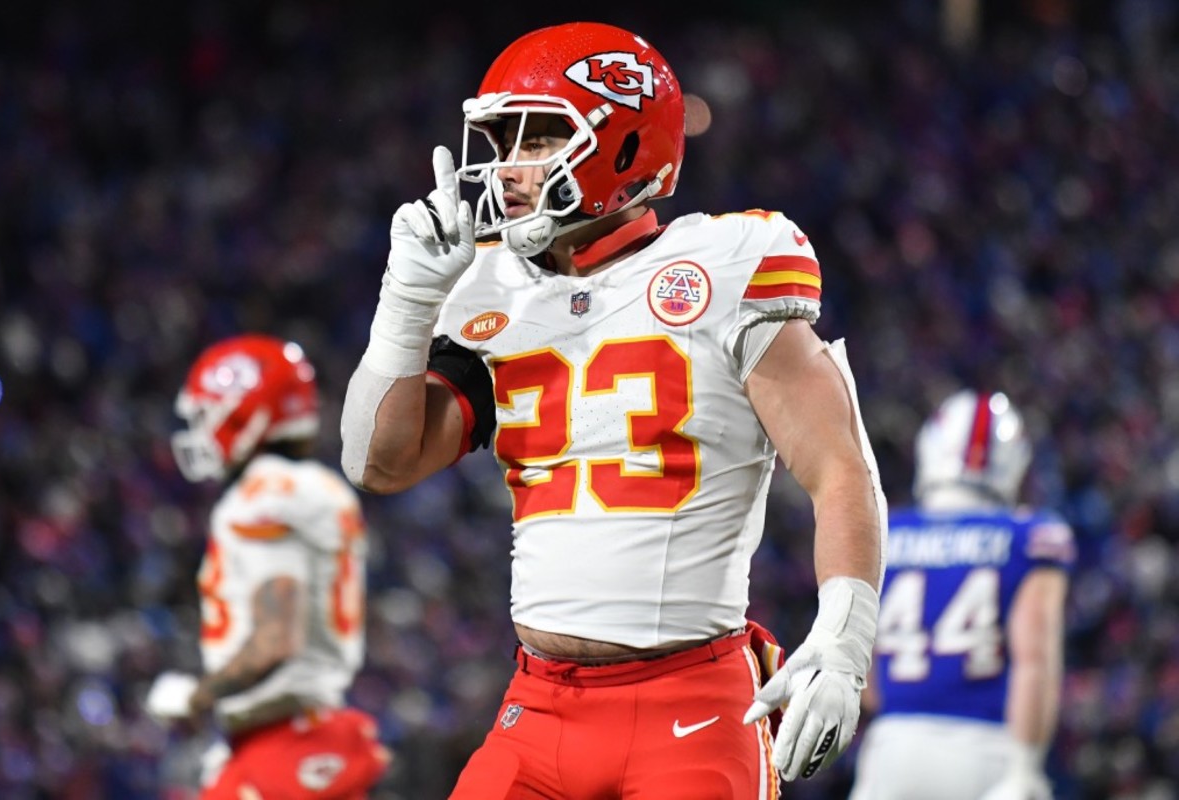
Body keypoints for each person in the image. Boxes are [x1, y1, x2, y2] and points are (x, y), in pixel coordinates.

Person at [340, 21, 887, 798]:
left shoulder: (724, 266)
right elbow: (378, 461)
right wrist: (407, 301)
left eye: (537, 138)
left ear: (625, 146)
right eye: (499, 142)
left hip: (691, 707)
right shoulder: (492, 289)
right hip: (537, 703)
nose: (508, 168)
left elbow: (840, 468)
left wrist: (844, 640)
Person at [146, 334, 390, 799]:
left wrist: (194, 697)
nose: (199, 429)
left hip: (284, 747)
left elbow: (275, 639)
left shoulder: (263, 497)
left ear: (246, 412)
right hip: (304, 733)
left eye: (205, 414)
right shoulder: (317, 487)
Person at [848, 390, 1074, 800]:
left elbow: (865, 678)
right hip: (985, 748)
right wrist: (1025, 766)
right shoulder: (1030, 536)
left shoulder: (885, 532)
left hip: (892, 748)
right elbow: (1035, 659)